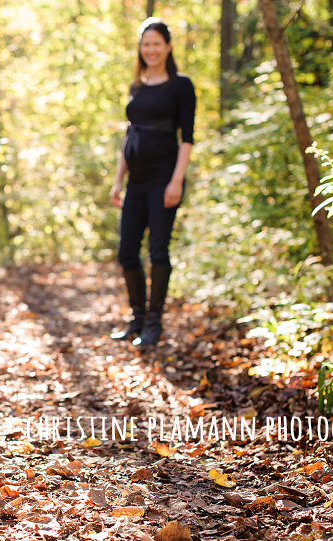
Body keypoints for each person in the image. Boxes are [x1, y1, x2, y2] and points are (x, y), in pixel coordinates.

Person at [109, 17, 196, 347]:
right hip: (136, 181)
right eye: (146, 44)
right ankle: (138, 319)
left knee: (158, 250)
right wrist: (118, 180)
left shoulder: (180, 85)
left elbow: (187, 138)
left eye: (156, 43)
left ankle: (155, 325)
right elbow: (129, 135)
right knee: (127, 251)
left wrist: (177, 180)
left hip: (164, 179)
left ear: (168, 46)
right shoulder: (137, 85)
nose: (151, 49)